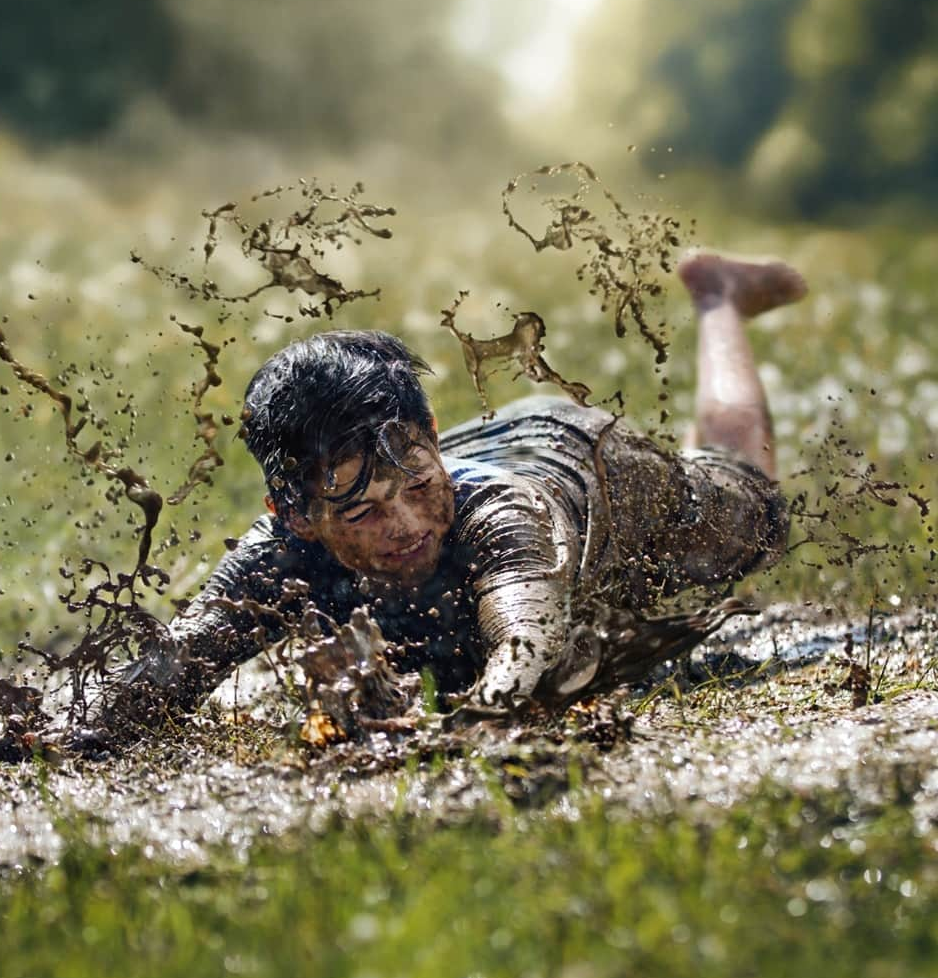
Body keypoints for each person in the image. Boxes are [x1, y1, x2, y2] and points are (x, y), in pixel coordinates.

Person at [88, 251, 806, 738]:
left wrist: (473, 722)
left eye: (418, 485)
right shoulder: (276, 558)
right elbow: (161, 676)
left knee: (752, 509)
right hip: (475, 456)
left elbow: (526, 645)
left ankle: (719, 297)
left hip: (589, 466)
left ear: (430, 435)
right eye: (364, 512)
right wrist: (45, 736)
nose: (405, 525)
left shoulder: (504, 519)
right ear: (295, 515)